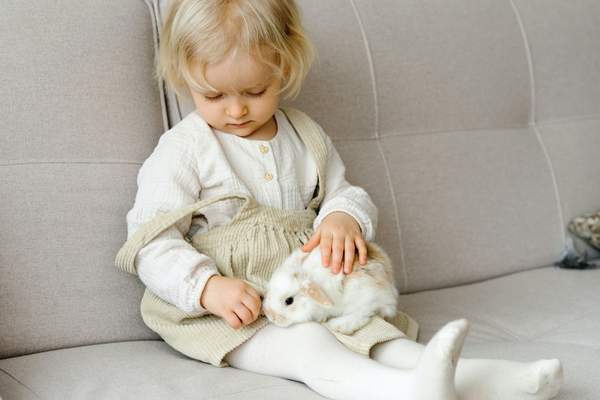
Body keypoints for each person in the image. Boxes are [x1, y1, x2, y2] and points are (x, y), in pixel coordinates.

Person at [115, 1, 563, 399]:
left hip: (311, 293)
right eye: (213, 95)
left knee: (380, 337)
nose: (236, 111)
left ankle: (500, 381)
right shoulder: (183, 150)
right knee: (310, 347)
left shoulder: (304, 134)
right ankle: (408, 393)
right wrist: (207, 288)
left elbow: (344, 191)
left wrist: (342, 217)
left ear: (284, 69)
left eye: (255, 91)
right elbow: (148, 240)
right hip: (237, 311)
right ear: (184, 78)